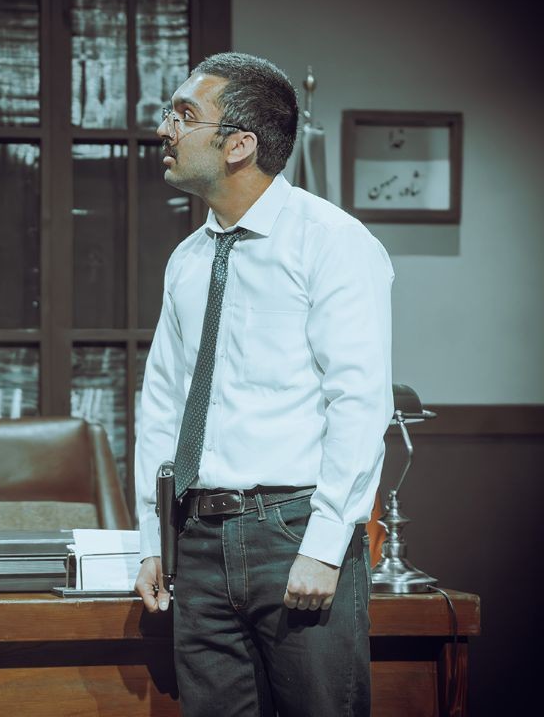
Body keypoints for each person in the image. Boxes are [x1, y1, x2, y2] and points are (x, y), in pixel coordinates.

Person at [132, 52, 393, 716]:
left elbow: (359, 401)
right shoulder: (188, 259)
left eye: (184, 115)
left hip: (293, 528)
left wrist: (326, 545)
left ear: (239, 145)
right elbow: (162, 402)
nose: (163, 128)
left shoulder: (332, 241)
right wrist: (152, 538)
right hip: (198, 536)